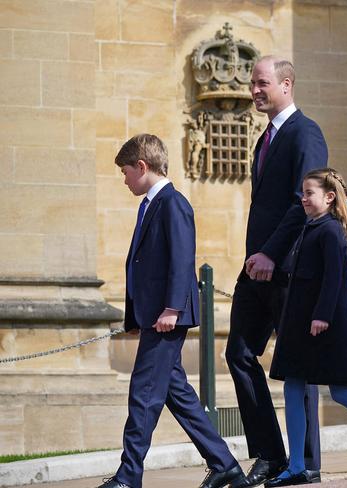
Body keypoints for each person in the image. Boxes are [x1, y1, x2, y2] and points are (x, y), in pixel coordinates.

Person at [100, 134, 245, 488]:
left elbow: (183, 259)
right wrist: (135, 317)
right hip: (153, 317)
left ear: (142, 166)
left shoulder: (173, 203)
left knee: (143, 392)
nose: (124, 180)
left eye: (125, 172)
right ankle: (225, 463)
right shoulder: (148, 204)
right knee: (176, 395)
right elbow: (141, 262)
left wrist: (172, 308)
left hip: (168, 316)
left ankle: (129, 474)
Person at [225, 56, 327, 487]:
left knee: (296, 363)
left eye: (262, 83)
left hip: (288, 267)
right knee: (239, 353)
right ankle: (269, 454)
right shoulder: (264, 139)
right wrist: (255, 257)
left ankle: (305, 464)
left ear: (287, 84)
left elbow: (303, 202)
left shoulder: (306, 133)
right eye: (253, 84)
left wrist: (270, 253)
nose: (254, 91)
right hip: (258, 268)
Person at [266, 168, 347, 487]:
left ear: (329, 197)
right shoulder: (312, 227)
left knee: (341, 391)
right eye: (303, 193)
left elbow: (335, 278)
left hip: (325, 326)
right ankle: (296, 466)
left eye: (309, 193)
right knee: (292, 387)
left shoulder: (331, 230)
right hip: (300, 325)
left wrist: (321, 316)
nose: (303, 199)